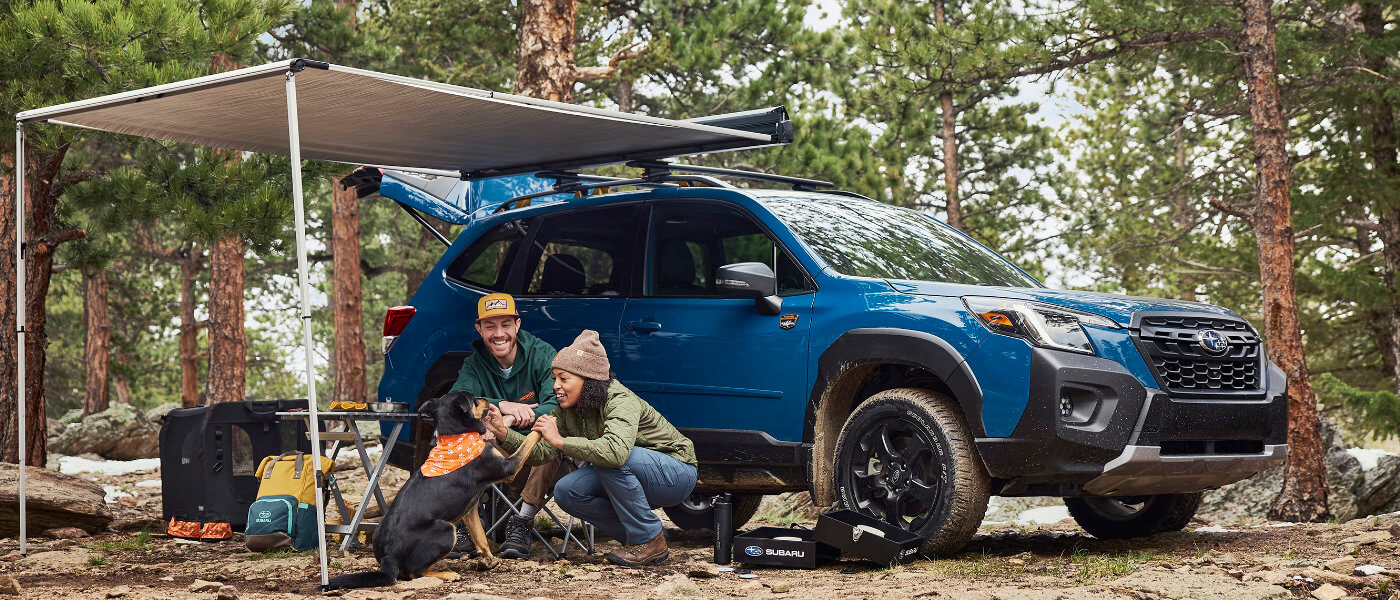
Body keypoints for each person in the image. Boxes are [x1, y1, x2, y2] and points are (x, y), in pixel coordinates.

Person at [487, 329, 698, 567]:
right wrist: (503, 433)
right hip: (628, 473)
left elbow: (616, 452)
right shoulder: (568, 410)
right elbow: (542, 454)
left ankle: (648, 538)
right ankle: (640, 540)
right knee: (568, 491)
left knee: (610, 458)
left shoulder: (619, 399)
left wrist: (562, 442)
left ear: (588, 380)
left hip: (676, 472)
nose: (555, 386)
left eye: (564, 379)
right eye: (554, 378)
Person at [445, 292, 562, 559]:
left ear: (517, 325)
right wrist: (504, 405)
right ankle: (467, 522)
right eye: (490, 326)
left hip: (536, 456)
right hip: (497, 453)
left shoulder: (542, 354)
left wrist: (507, 421)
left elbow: (558, 404)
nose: (499, 334)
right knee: (460, 437)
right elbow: (453, 402)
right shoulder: (475, 363)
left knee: (550, 434)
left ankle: (522, 521)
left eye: (506, 325)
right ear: (479, 329)